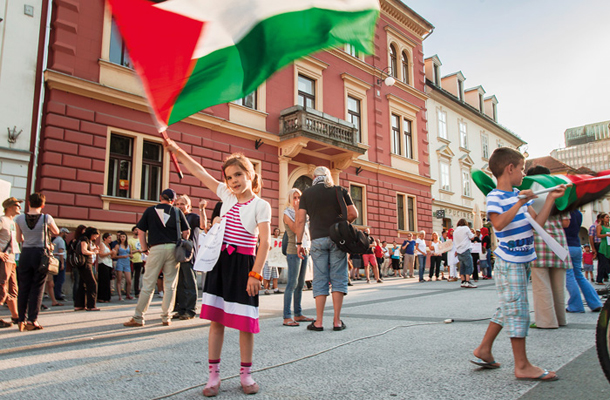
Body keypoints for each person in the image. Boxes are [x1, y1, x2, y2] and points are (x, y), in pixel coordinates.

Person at [165, 139, 270, 396]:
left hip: (244, 265)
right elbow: (200, 172)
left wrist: (255, 273)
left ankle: (246, 374)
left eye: (238, 175)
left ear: (250, 175)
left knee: (245, 324)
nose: (233, 180)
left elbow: (265, 241)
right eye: (229, 177)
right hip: (220, 264)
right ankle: (213, 375)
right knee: (216, 321)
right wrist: (178, 151)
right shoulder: (225, 195)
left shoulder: (261, 205)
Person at [471, 147, 564, 381]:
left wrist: (550, 199)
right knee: (518, 310)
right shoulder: (495, 197)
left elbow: (537, 225)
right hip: (508, 261)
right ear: (509, 168)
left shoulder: (518, 194)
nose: (524, 174)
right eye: (521, 169)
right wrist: (518, 201)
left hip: (522, 261)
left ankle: (484, 349)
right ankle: (521, 365)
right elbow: (499, 224)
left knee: (507, 306)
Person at [295, 166, 357, 332]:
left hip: (317, 240)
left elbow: (300, 220)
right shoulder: (339, 190)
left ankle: (319, 321)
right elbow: (353, 213)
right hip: (338, 239)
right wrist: (340, 226)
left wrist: (299, 243)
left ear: (314, 177)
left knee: (320, 279)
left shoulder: (307, 193)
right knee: (338, 278)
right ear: (329, 176)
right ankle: (337, 321)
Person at [123, 188, 190, 328]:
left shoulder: (150, 210)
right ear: (173, 200)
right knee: (170, 285)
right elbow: (186, 232)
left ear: (160, 197)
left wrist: (144, 247)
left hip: (156, 248)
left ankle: (138, 317)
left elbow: (141, 231)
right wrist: (181, 240)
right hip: (173, 249)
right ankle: (166, 317)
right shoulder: (177, 212)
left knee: (148, 284)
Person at [527, 166, 570, 329]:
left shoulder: (532, 195)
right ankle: (561, 319)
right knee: (559, 285)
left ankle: (546, 321)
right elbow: (566, 222)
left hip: (539, 242)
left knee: (541, 285)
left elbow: (533, 219)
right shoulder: (559, 195)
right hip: (559, 243)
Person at [14, 192, 60, 331]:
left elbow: (18, 239)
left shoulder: (19, 218)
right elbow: (56, 231)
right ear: (43, 205)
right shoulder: (47, 217)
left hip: (25, 253)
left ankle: (20, 320)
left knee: (23, 287)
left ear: (29, 203)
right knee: (37, 287)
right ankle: (32, 320)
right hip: (40, 254)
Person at [282, 188, 314, 327]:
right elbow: (296, 230)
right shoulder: (287, 213)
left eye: (299, 197)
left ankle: (298, 313)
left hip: (305, 249)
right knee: (292, 284)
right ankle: (287, 316)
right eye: (294, 197)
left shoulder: (304, 214)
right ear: (290, 199)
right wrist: (296, 211)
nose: (297, 200)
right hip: (293, 251)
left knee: (301, 284)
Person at [563, 210, 602, 313]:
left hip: (566, 245)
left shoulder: (564, 212)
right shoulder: (578, 213)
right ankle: (595, 302)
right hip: (576, 245)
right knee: (579, 275)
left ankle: (575, 305)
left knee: (569, 275)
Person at [173, 194, 205, 320]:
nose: (179, 206)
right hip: (176, 254)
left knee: (189, 282)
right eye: (177, 204)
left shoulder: (193, 217)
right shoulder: (175, 217)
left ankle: (190, 310)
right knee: (180, 283)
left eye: (182, 204)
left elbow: (203, 225)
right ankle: (181, 309)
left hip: (188, 254)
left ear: (188, 206)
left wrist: (202, 209)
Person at [0, 197, 21, 328]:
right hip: (4, 259)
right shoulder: (2, 220)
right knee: (2, 288)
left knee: (13, 289)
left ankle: (15, 316)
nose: (19, 207)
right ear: (9, 207)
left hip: (12, 259)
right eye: (17, 205)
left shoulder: (13, 222)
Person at [74, 227, 101, 311]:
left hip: (84, 263)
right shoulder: (84, 239)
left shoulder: (84, 239)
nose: (95, 238)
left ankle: (79, 305)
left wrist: (92, 249)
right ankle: (91, 305)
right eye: (95, 236)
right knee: (92, 283)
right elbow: (84, 251)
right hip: (85, 263)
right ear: (91, 234)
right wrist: (94, 252)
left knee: (82, 284)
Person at [453, 219, 476, 288]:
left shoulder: (455, 230)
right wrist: (474, 234)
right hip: (465, 249)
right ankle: (467, 281)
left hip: (459, 250)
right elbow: (472, 237)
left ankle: (463, 281)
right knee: (469, 266)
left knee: (462, 266)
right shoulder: (466, 228)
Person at [67, 225, 86, 302]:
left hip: (76, 262)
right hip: (79, 262)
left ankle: (77, 297)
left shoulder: (74, 241)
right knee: (78, 281)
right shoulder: (79, 241)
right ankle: (76, 297)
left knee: (78, 281)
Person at [262, 227, 282, 294]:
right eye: (275, 231)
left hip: (275, 259)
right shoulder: (270, 239)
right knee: (267, 275)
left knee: (275, 275)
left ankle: (276, 288)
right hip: (268, 259)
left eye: (278, 231)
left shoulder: (279, 239)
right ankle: (266, 289)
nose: (277, 233)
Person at [114, 231, 133, 301]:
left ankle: (128, 294)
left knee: (129, 281)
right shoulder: (117, 246)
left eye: (124, 237)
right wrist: (122, 256)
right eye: (121, 237)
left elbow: (131, 254)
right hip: (120, 262)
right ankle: (120, 295)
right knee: (119, 279)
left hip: (127, 263)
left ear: (126, 238)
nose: (122, 238)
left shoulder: (129, 246)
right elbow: (114, 256)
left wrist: (131, 256)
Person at [52, 228, 69, 301]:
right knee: (60, 279)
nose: (67, 235)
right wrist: (62, 263)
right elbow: (61, 252)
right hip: (59, 260)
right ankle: (58, 295)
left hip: (55, 260)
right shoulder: (61, 241)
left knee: (56, 279)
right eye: (66, 233)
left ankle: (56, 294)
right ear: (62, 232)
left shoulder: (55, 240)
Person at [97, 232, 114, 303]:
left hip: (108, 264)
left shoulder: (108, 246)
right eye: (109, 238)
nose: (110, 239)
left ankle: (106, 297)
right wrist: (110, 253)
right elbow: (101, 254)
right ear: (105, 238)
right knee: (103, 281)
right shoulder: (102, 244)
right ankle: (101, 297)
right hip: (103, 264)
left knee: (107, 282)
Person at [128, 226, 144, 297]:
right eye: (135, 230)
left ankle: (136, 291)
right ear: (133, 231)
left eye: (138, 230)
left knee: (137, 277)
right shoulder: (130, 240)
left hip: (140, 260)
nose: (137, 231)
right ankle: (128, 291)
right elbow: (129, 251)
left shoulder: (141, 240)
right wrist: (137, 250)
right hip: (132, 260)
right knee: (130, 277)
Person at [596, 213, 610, 286]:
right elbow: (598, 235)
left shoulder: (609, 226)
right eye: (607, 217)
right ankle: (599, 279)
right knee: (602, 263)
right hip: (604, 245)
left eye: (608, 217)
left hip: (609, 245)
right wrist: (606, 235)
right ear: (602, 219)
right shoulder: (599, 226)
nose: (608, 218)